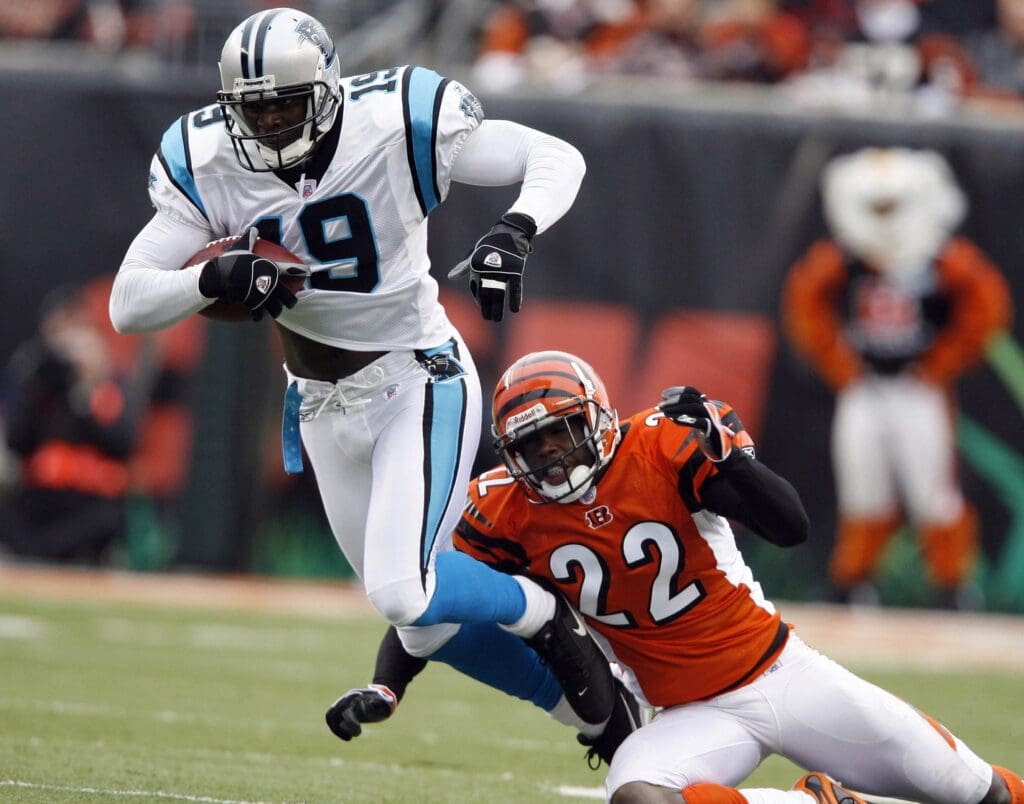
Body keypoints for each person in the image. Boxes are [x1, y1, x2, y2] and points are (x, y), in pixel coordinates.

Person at [109, 7, 616, 736]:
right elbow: (129, 303)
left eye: (286, 103)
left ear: (326, 89)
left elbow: (554, 155)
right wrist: (211, 278)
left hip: (416, 376)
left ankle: (540, 609)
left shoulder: (395, 120)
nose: (270, 123)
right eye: (253, 109)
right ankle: (604, 723)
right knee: (423, 626)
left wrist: (516, 229)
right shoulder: (208, 155)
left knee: (404, 589)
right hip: (318, 402)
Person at [327, 350, 1024, 804]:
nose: (551, 454)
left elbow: (791, 527)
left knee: (978, 793)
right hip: (690, 713)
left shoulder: (660, 445)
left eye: (561, 431)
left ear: (598, 417)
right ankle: (816, 801)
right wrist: (390, 682)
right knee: (636, 794)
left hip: (781, 673)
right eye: (531, 445)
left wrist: (732, 458)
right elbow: (433, 596)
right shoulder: (507, 509)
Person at [782, 147, 1012, 609]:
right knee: (862, 487)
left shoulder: (940, 256)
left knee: (933, 490)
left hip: (916, 388)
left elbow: (987, 304)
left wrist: (942, 361)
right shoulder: (846, 257)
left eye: (892, 206)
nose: (884, 219)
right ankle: (852, 580)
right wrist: (837, 361)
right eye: (876, 207)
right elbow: (805, 296)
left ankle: (953, 583)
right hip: (865, 387)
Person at [0, 284, 142, 563]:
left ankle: (47, 556)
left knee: (108, 520)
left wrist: (81, 397)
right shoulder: (36, 380)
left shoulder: (110, 386)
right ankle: (38, 555)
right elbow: (17, 442)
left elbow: (123, 443)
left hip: (89, 502)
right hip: (40, 499)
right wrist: (39, 390)